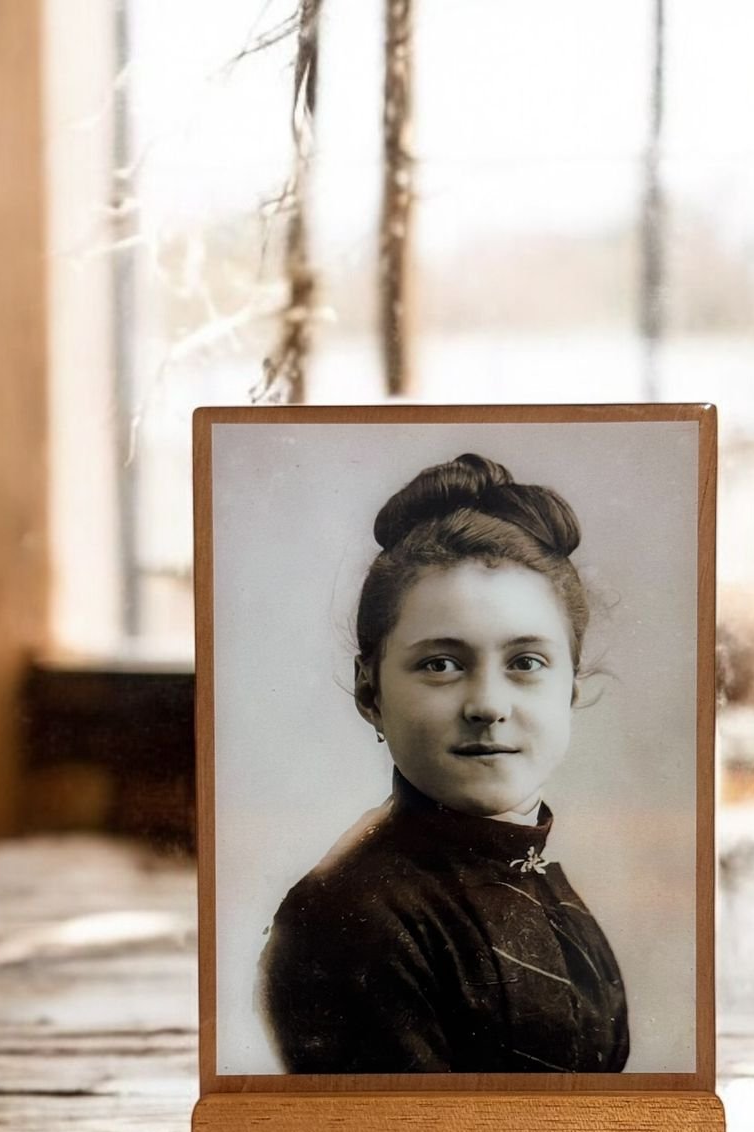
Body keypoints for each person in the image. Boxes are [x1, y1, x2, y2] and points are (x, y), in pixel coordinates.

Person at [259, 453, 630, 1074]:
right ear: (370, 691)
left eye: (526, 663)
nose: (487, 705)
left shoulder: (536, 876)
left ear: (570, 688)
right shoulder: (351, 916)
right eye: (441, 664)